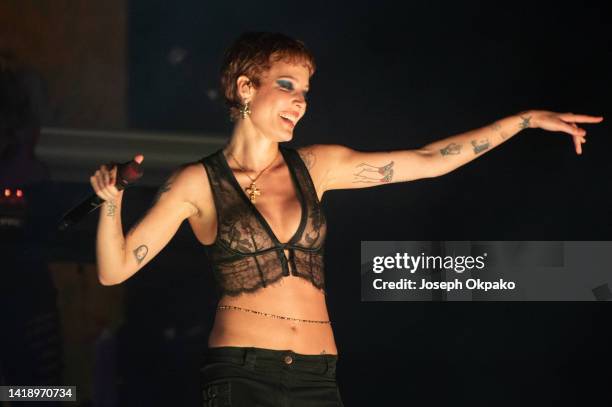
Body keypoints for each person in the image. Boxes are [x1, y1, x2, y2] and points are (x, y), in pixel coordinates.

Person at [89, 32, 603, 406]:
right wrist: (111, 202)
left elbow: (430, 160)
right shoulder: (196, 183)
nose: (300, 102)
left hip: (319, 376)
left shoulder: (317, 166)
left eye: (305, 93)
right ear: (246, 88)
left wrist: (526, 120)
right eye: (287, 85)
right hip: (242, 374)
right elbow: (114, 270)